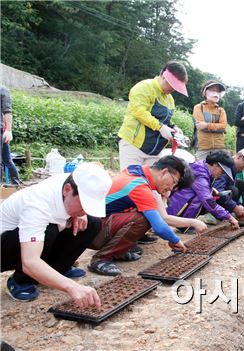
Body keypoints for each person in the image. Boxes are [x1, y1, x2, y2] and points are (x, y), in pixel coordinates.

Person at [1, 163, 111, 304]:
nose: (86, 209)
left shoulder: (73, 180)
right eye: (84, 204)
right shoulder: (38, 204)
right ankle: (20, 280)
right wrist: (72, 287)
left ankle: (59, 268)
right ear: (67, 190)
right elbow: (30, 261)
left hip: (33, 237)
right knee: (49, 229)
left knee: (92, 222)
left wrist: (79, 213)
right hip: (6, 246)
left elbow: (76, 201)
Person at [88, 156, 191, 276]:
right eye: (173, 182)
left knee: (142, 213)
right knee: (144, 219)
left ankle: (118, 252)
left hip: (95, 225)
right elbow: (159, 227)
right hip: (90, 233)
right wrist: (176, 240)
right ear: (164, 173)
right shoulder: (139, 186)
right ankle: (101, 259)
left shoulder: (135, 173)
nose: (171, 188)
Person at [117, 61, 188, 170]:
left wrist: (174, 128)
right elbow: (139, 111)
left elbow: (166, 121)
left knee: (151, 183)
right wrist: (160, 127)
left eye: (176, 87)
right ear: (164, 76)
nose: (173, 89)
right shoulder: (144, 87)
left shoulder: (170, 99)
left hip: (155, 150)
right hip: (133, 145)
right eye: (172, 85)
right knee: (131, 182)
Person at [167, 151, 241, 229]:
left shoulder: (201, 167)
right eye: (222, 171)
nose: (222, 174)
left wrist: (210, 189)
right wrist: (229, 217)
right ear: (215, 165)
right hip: (177, 211)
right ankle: (182, 224)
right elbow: (208, 201)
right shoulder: (200, 175)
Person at [210, 148, 244, 223]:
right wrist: (235, 207)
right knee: (233, 190)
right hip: (209, 200)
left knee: (238, 185)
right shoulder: (225, 168)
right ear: (239, 157)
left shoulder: (233, 169)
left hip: (215, 197)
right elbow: (218, 191)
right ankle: (215, 213)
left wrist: (238, 205)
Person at [193, 80, 228, 160]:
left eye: (218, 91)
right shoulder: (198, 107)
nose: (215, 93)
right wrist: (217, 127)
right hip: (203, 148)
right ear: (205, 92)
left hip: (219, 148)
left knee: (219, 171)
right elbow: (199, 126)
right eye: (212, 90)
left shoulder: (221, 110)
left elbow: (223, 126)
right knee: (200, 171)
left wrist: (207, 125)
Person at [1, 87, 22, 186]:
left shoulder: (3, 91)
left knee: (5, 160)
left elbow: (7, 112)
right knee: (7, 159)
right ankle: (16, 181)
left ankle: (15, 182)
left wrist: (8, 130)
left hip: (2, 131)